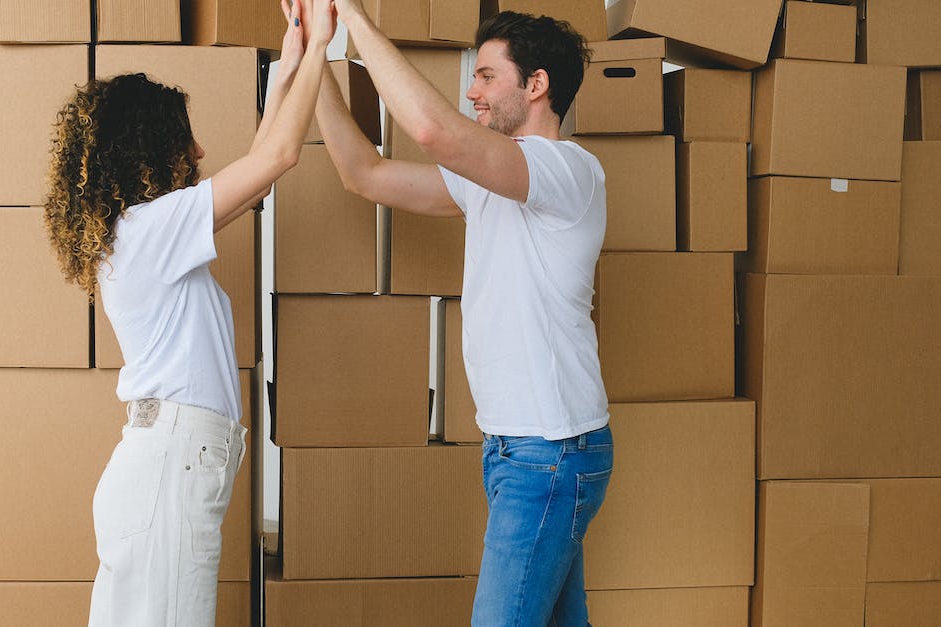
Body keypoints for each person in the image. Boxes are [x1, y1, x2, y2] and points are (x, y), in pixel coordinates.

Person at [305, 5, 612, 625]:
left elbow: (433, 131)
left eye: (487, 76)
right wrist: (314, 55)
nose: (471, 90)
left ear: (537, 85)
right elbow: (362, 173)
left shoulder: (566, 170)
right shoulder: (490, 181)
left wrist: (354, 20)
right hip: (516, 449)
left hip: (548, 450)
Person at [42, 1, 334, 624]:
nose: (200, 149)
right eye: (185, 136)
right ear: (148, 147)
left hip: (162, 467)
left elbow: (254, 182)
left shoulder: (142, 233)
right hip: (168, 470)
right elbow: (277, 159)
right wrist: (321, 48)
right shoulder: (147, 232)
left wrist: (284, 74)